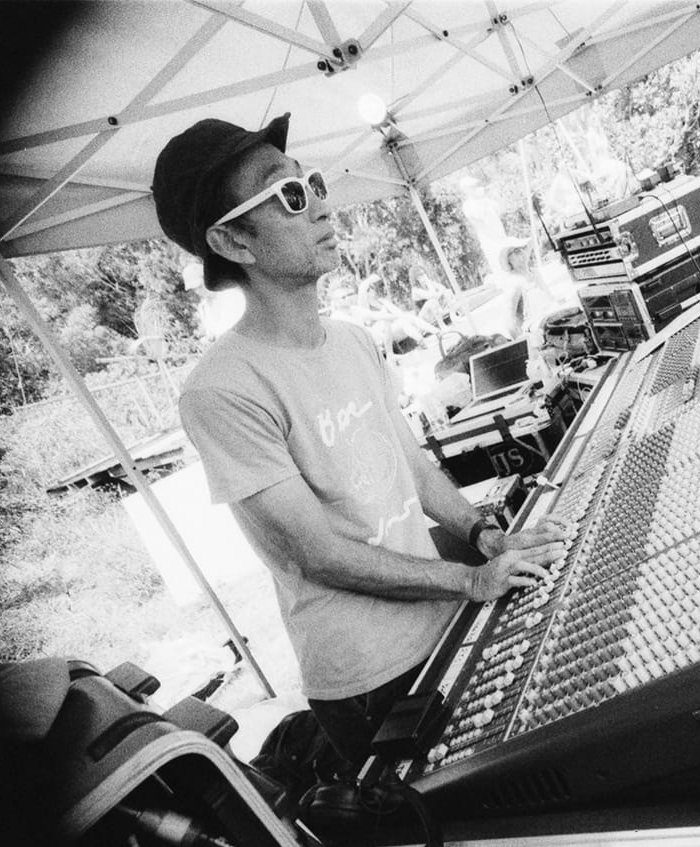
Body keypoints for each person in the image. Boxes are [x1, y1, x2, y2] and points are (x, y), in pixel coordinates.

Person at [151, 113, 569, 779]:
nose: (319, 204)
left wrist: (485, 533)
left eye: (311, 183)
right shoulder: (220, 390)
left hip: (443, 618)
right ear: (233, 240)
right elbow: (314, 553)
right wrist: (468, 578)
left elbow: (412, 466)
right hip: (370, 680)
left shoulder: (350, 339)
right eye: (290, 196)